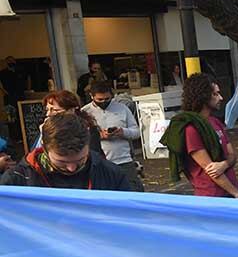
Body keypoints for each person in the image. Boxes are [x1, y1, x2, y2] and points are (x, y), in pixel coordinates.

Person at [1, 113, 132, 190]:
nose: (71, 168)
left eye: (81, 160)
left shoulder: (112, 174)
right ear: (44, 148)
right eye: (61, 162)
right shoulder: (16, 180)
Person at [162, 73, 238, 198]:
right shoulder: (191, 129)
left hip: (231, 190)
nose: (221, 98)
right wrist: (236, 193)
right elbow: (210, 169)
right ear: (203, 97)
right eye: (215, 94)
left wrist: (224, 164)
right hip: (212, 195)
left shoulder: (215, 122)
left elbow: (232, 155)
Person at [83, 81, 144, 191]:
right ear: (92, 96)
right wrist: (98, 135)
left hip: (123, 159)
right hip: (98, 162)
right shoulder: (85, 112)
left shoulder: (122, 108)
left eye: (107, 99)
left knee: (133, 190)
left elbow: (136, 132)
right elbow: (80, 137)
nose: (104, 102)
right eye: (99, 100)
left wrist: (123, 132)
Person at [35, 90, 104, 156]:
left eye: (55, 110)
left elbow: (93, 156)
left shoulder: (87, 129)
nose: (48, 114)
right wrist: (45, 134)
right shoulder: (47, 129)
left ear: (72, 110)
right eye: (47, 109)